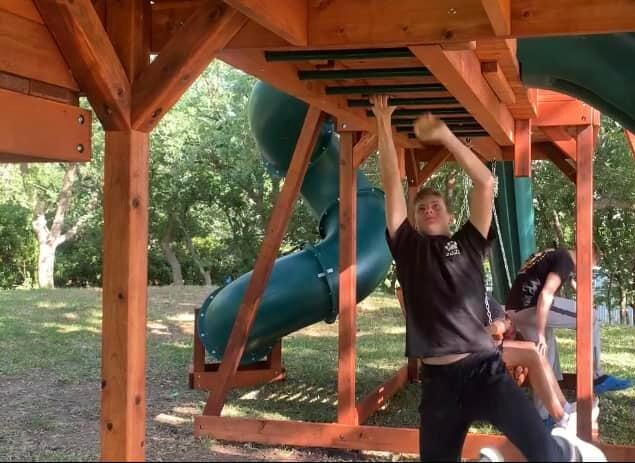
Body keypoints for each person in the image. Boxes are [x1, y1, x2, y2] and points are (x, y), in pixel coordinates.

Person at [370, 94, 604, 461]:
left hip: (484, 370)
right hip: (438, 385)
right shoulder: (407, 246)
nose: (429, 209)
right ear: (414, 219)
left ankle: (566, 448)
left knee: (542, 454)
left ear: (448, 218)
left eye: (436, 207)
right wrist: (382, 124)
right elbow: (391, 184)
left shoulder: (467, 243)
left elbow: (484, 182)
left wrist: (445, 135)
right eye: (422, 208)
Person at [505, 247, 632, 420]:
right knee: (590, 315)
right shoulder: (565, 259)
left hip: (515, 310)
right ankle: (597, 376)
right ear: (586, 257)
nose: (588, 272)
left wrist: (576, 283)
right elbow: (546, 295)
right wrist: (541, 333)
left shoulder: (551, 254)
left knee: (542, 360)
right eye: (590, 268)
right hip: (531, 306)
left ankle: (544, 417)